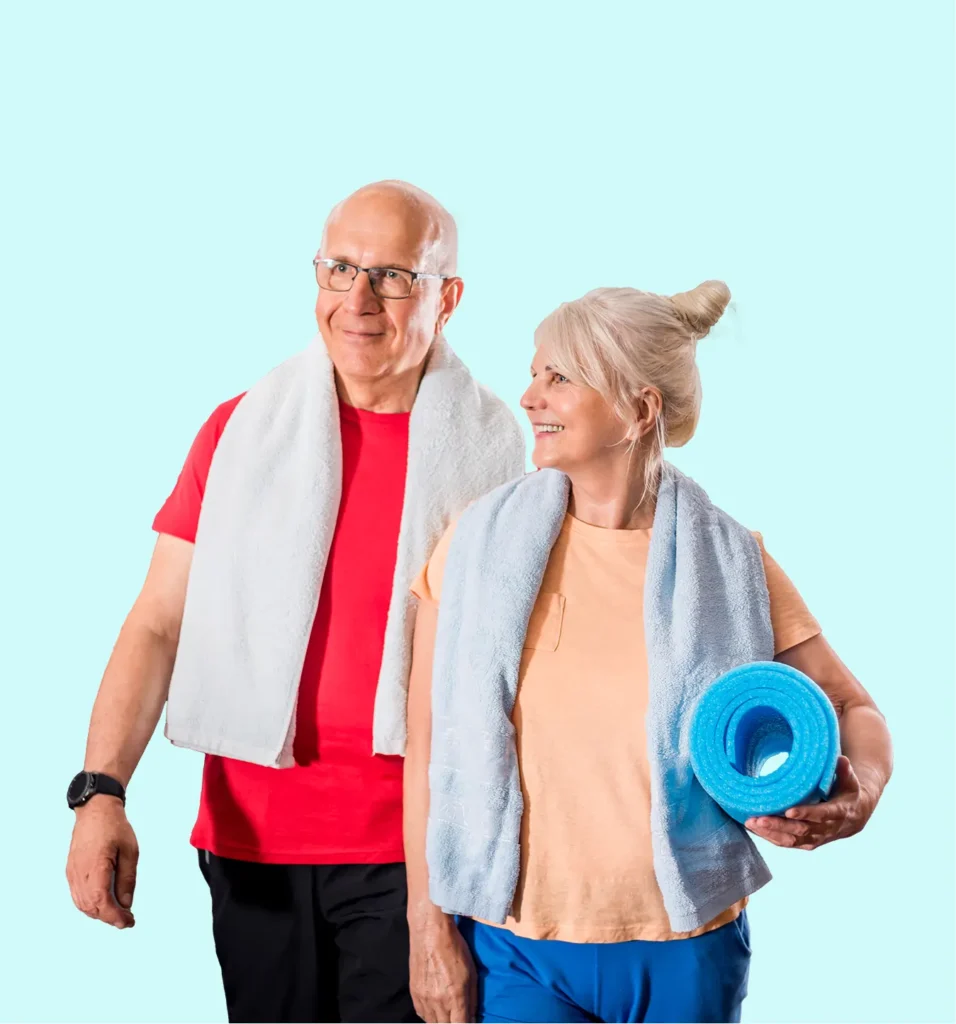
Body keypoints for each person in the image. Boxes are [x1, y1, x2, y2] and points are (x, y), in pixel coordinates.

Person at [65, 180, 526, 1023]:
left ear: (447, 297)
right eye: (339, 268)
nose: (358, 300)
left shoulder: (500, 458)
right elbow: (159, 621)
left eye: (391, 276)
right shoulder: (241, 431)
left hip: (411, 855)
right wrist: (102, 791)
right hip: (252, 845)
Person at [404, 281, 893, 1024]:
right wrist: (426, 924)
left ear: (639, 409)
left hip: (686, 943)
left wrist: (864, 793)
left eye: (558, 377)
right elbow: (425, 745)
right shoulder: (476, 545)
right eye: (534, 372)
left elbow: (850, 704)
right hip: (516, 942)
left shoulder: (732, 562)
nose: (529, 396)